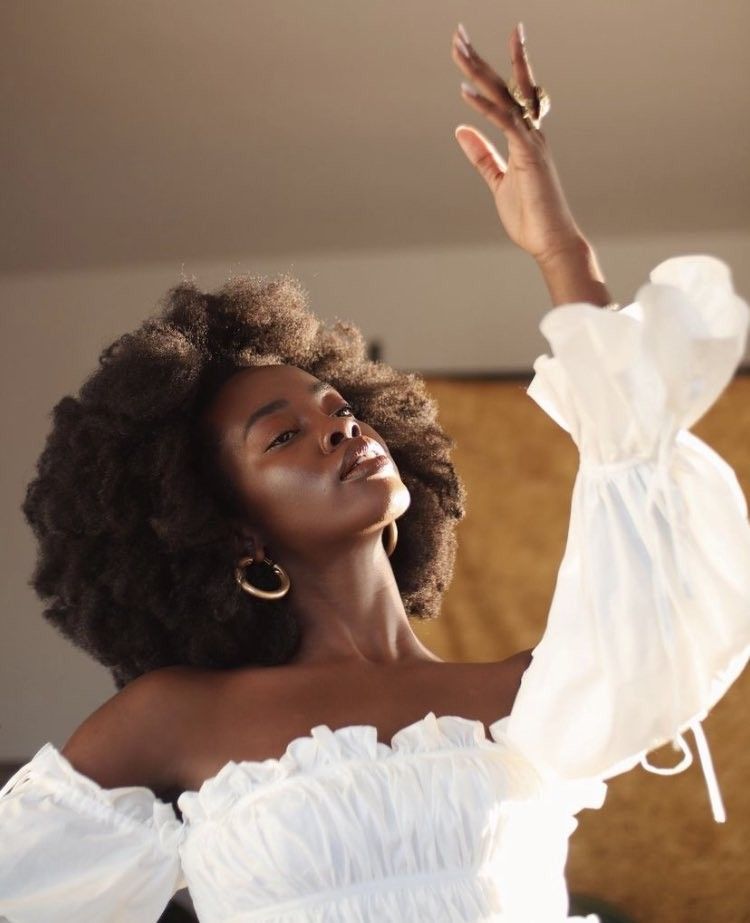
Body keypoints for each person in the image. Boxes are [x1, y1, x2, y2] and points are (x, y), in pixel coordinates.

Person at [1, 19, 748, 923]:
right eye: (283, 436)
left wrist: (561, 253)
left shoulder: (521, 697)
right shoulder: (171, 720)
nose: (339, 431)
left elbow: (652, 544)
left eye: (339, 410)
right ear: (227, 526)